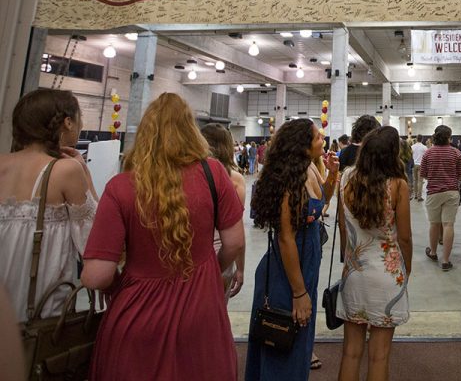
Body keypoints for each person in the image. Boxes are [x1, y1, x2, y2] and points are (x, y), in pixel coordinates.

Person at [81, 93, 244, 380]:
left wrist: (123, 285)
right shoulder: (214, 174)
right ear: (191, 132)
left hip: (135, 315)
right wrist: (210, 268)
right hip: (201, 310)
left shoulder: (119, 188)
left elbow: (95, 276)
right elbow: (234, 242)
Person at [244, 118, 339, 381]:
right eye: (317, 137)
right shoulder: (289, 181)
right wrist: (299, 292)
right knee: (284, 329)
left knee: (298, 333)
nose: (323, 139)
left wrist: (332, 174)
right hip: (288, 266)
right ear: (302, 145)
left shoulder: (309, 167)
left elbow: (324, 201)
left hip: (306, 258)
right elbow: (286, 238)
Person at [0, 88, 97, 322]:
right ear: (67, 123)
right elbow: (93, 240)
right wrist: (85, 172)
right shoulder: (66, 170)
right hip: (42, 306)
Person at [337, 126, 412, 381]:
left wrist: (348, 260)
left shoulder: (346, 178)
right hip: (387, 275)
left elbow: (342, 228)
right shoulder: (398, 185)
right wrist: (406, 268)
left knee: (350, 352)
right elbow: (404, 237)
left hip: (354, 273)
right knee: (379, 355)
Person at [201, 123, 248, 302]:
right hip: (222, 254)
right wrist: (240, 268)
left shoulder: (190, 173)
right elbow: (237, 232)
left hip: (193, 254)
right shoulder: (235, 180)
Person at [420, 125, 461, 272]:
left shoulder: (428, 153)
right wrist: (452, 179)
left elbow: (424, 174)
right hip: (452, 192)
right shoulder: (456, 152)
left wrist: (435, 178)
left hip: (433, 192)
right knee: (448, 225)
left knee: (434, 224)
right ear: (449, 137)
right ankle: (446, 260)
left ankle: (433, 253)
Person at [411, 135, 427, 202]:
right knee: (420, 181)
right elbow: (426, 156)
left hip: (414, 164)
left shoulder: (412, 147)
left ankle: (415, 195)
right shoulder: (424, 147)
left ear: (416, 139)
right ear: (422, 139)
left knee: (415, 180)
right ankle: (419, 197)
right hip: (421, 165)